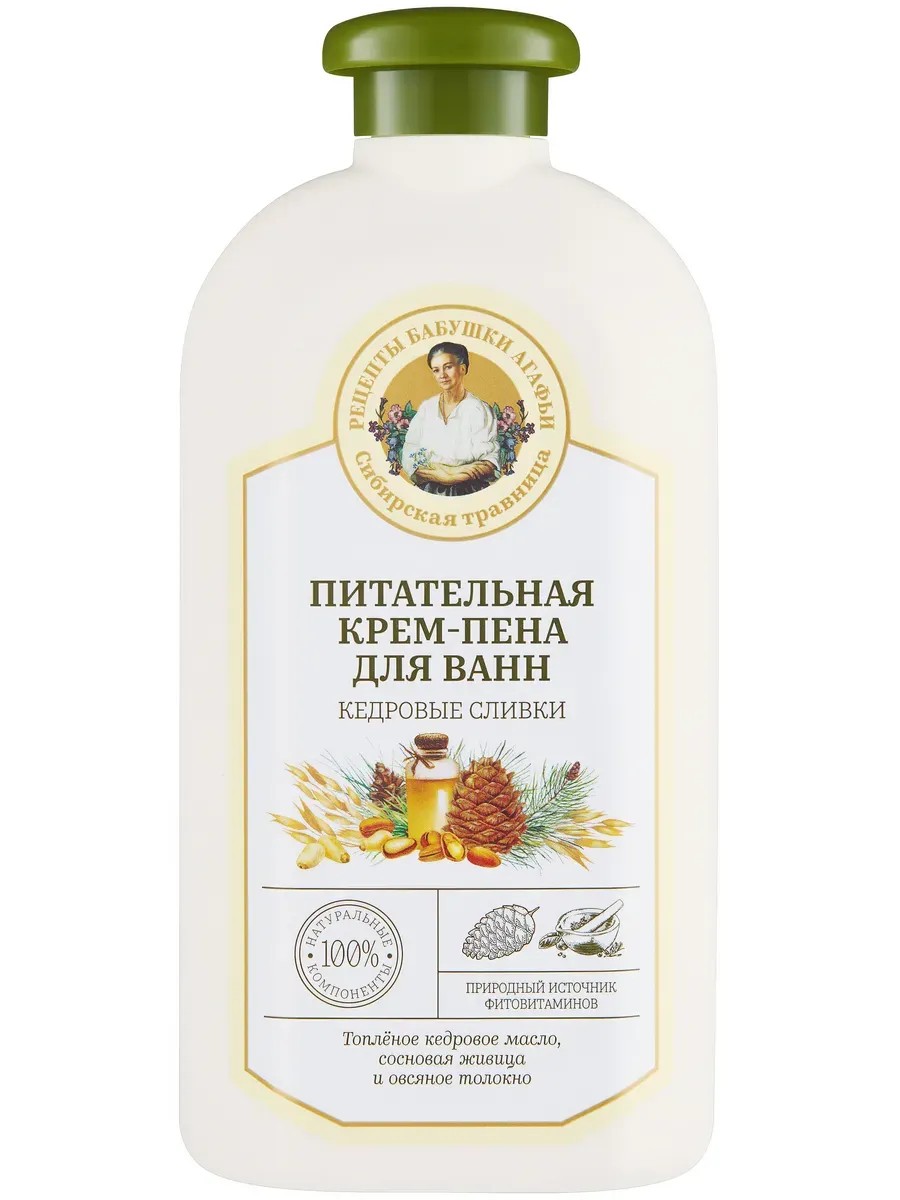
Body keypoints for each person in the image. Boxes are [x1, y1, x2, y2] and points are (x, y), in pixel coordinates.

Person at [400, 342, 500, 495]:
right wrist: (446, 475)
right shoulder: (427, 408)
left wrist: (449, 475)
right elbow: (410, 455)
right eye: (436, 370)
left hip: (470, 490)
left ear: (462, 368)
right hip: (429, 489)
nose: (442, 375)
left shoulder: (479, 409)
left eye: (448, 367)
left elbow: (489, 462)